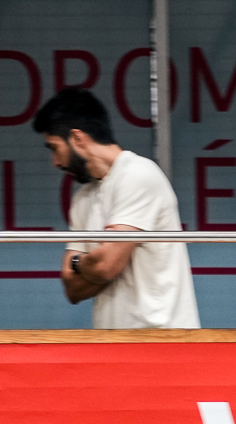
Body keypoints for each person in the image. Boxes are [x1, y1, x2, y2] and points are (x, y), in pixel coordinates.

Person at [34, 87, 199, 329]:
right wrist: (101, 262)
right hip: (112, 345)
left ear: (78, 139)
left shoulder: (138, 174)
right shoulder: (82, 198)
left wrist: (81, 263)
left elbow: (106, 265)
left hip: (163, 342)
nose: (56, 162)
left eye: (55, 148)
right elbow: (72, 288)